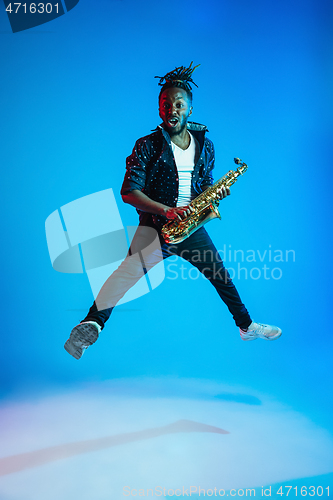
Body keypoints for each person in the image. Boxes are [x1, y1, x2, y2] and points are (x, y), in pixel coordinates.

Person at [64, 63, 282, 360]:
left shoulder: (206, 145)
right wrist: (166, 211)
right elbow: (129, 192)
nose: (172, 110)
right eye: (165, 105)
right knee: (124, 276)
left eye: (179, 104)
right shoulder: (147, 145)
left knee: (222, 277)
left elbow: (203, 183)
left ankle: (246, 327)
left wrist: (216, 196)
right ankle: (91, 325)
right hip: (156, 226)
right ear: (159, 109)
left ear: (190, 109)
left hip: (191, 226)